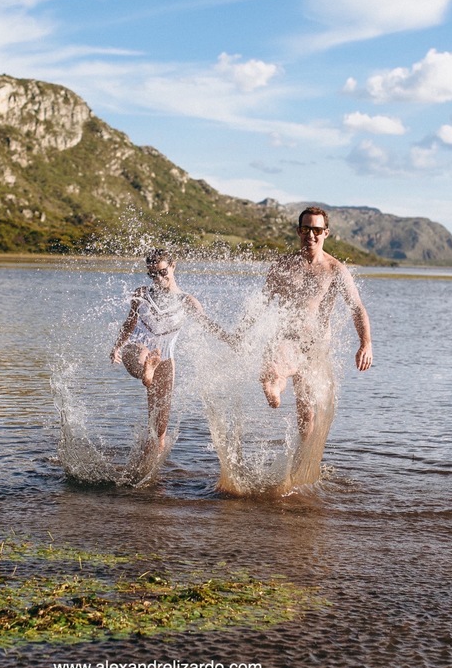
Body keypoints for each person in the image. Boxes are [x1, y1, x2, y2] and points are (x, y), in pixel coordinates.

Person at [237, 206, 373, 486]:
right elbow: (262, 303)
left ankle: (300, 470)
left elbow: (356, 308)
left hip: (314, 349)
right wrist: (241, 332)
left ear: (326, 233)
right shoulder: (284, 266)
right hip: (286, 340)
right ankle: (274, 384)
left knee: (306, 415)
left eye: (316, 230)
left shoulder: (335, 270)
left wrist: (365, 344)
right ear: (298, 231)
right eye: (305, 229)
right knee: (275, 372)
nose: (310, 235)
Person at [110, 248, 231, 460]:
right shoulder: (141, 295)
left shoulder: (187, 301)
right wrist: (117, 347)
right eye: (152, 274)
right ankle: (146, 370)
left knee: (159, 432)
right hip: (137, 349)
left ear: (173, 266)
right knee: (142, 354)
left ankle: (151, 475)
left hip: (165, 361)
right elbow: (129, 323)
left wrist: (230, 339)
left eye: (163, 272)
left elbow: (208, 324)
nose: (158, 278)